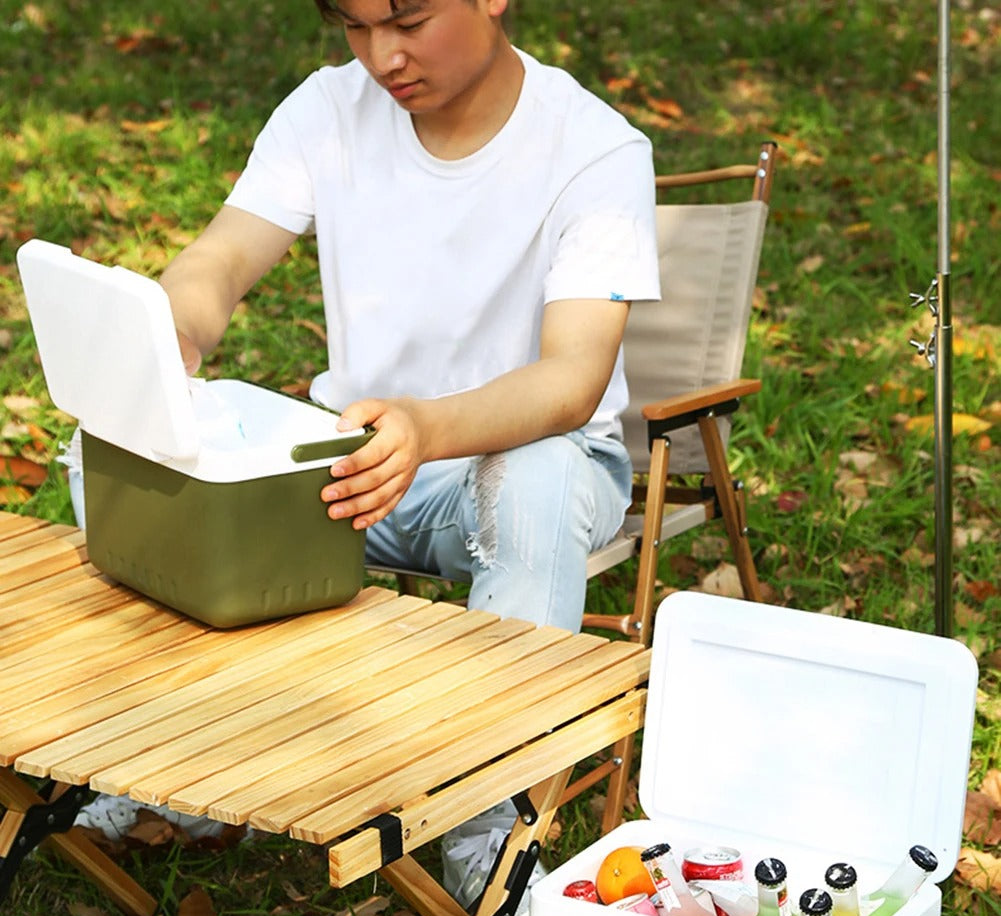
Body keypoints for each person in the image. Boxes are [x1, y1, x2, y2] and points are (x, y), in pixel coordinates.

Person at [155, 0, 661, 632]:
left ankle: (502, 699)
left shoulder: (597, 149)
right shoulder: (328, 111)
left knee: (539, 481)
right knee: (115, 460)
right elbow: (223, 258)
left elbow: (572, 378)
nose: (383, 58)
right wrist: (170, 332)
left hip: (517, 467)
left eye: (410, 25)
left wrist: (424, 429)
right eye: (356, 27)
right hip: (348, 465)